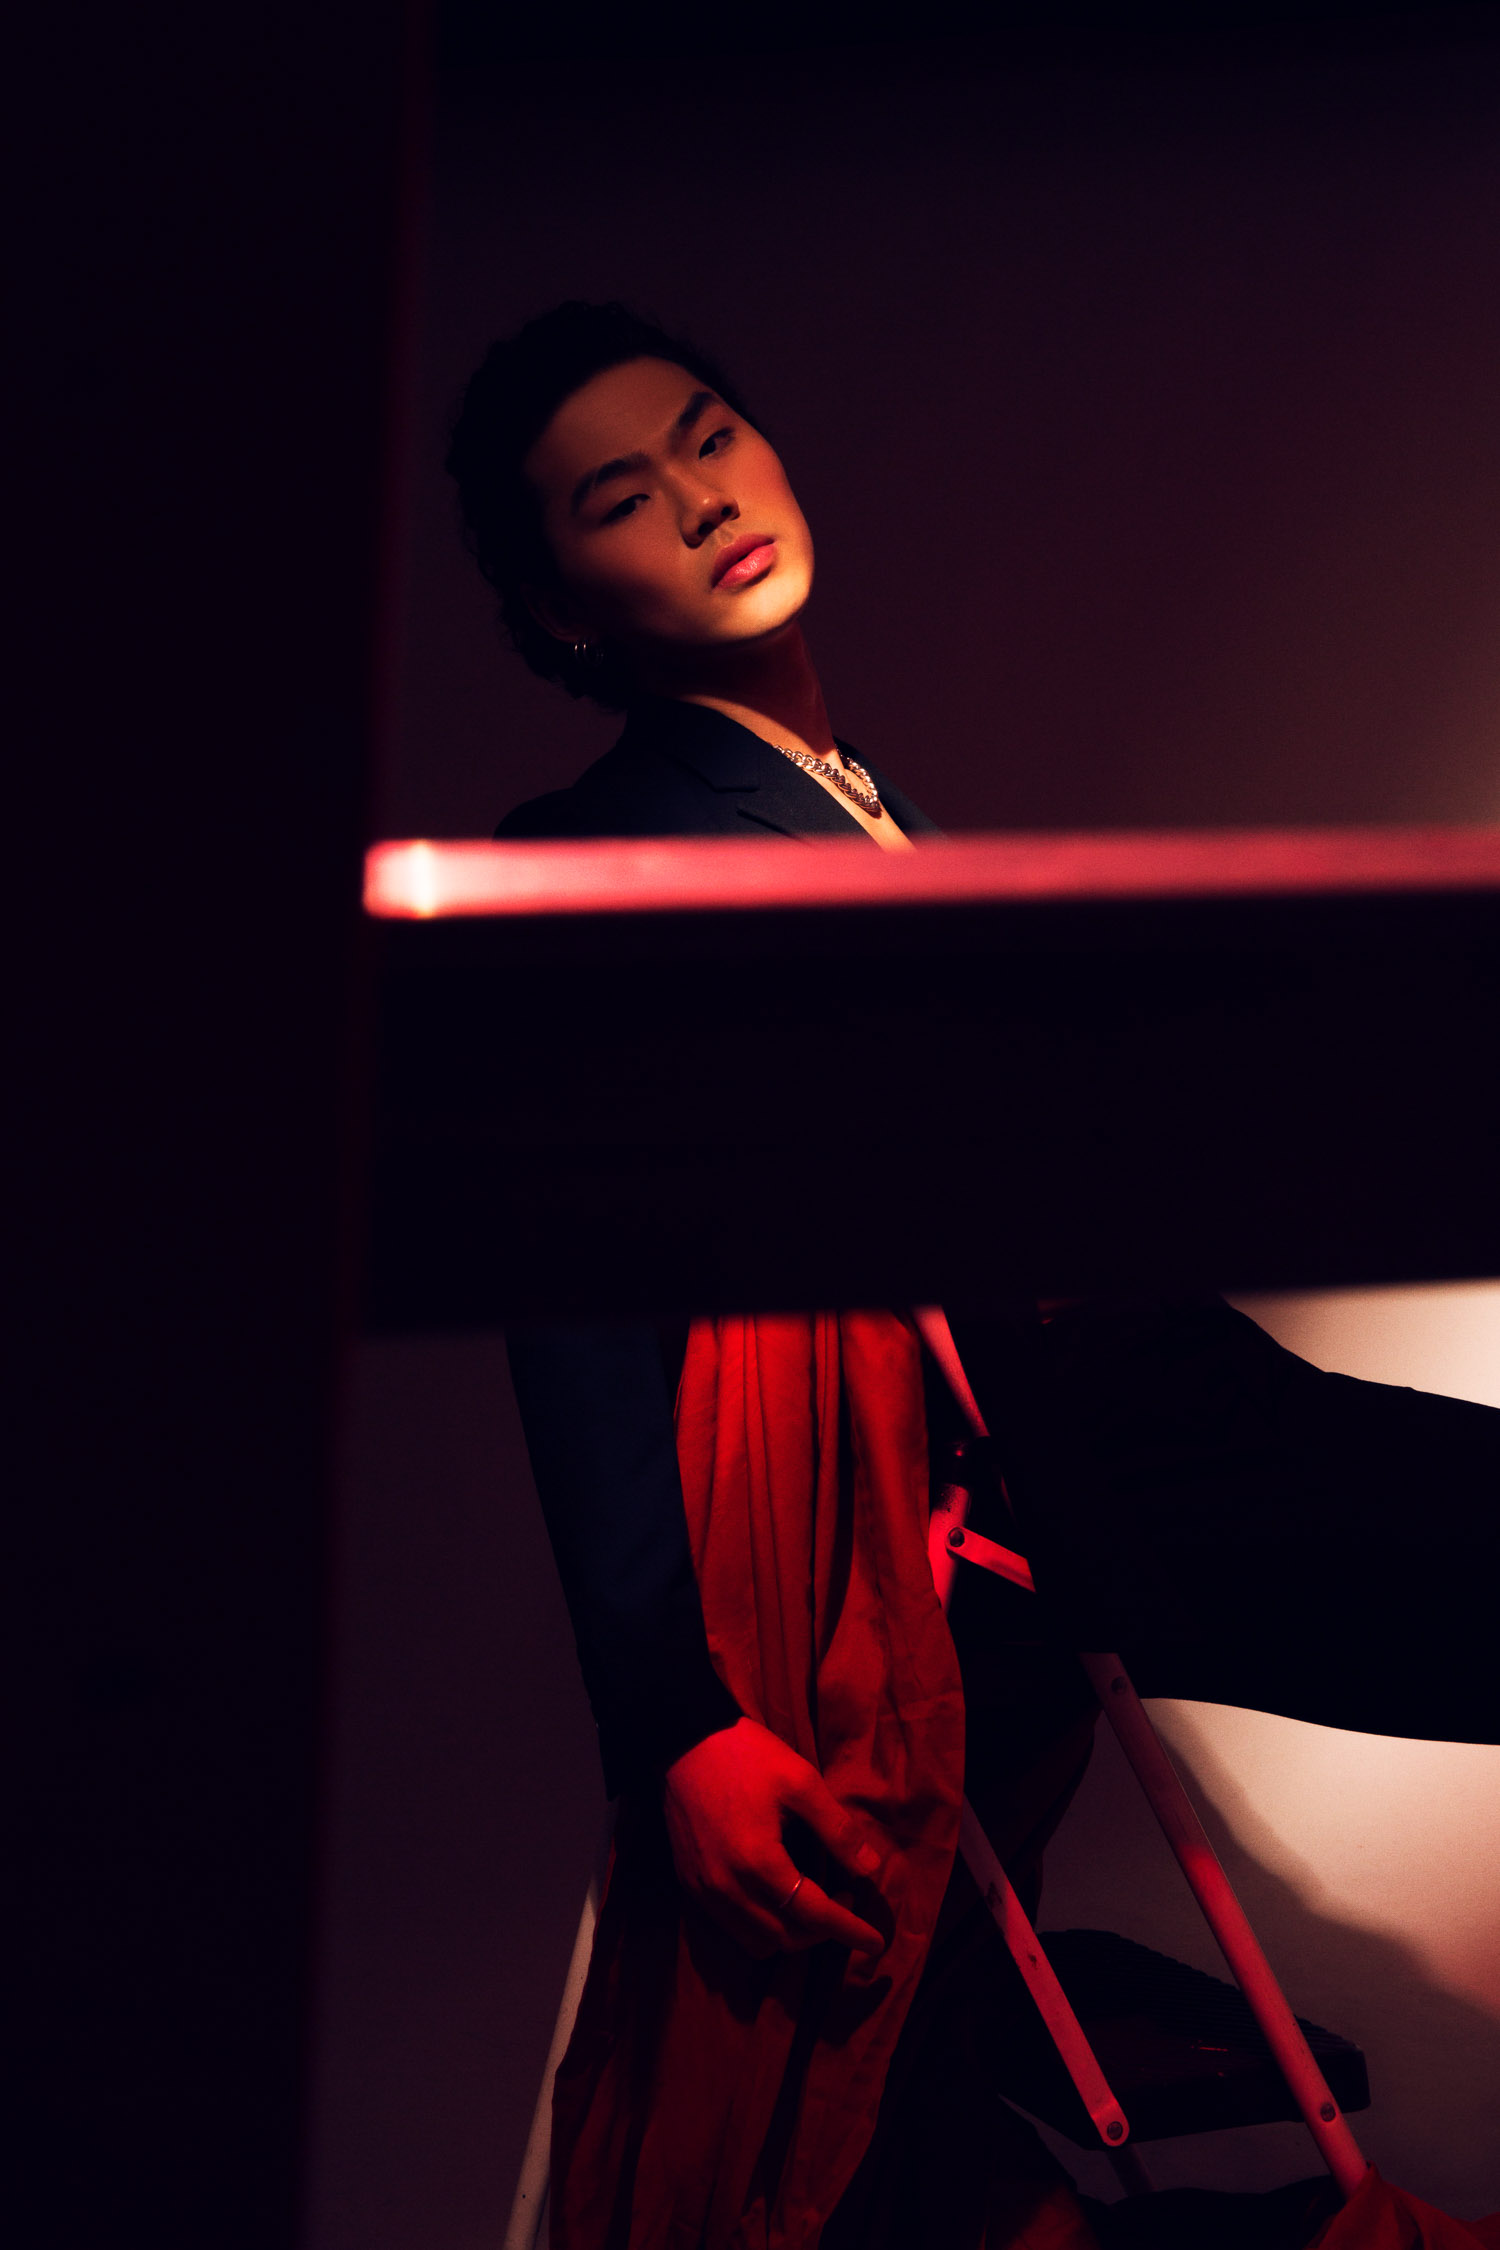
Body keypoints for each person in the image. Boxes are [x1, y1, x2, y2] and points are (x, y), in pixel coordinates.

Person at [445, 302, 1500, 2250]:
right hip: (1029, 1489)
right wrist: (670, 1718)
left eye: (706, 435)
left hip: (1140, 1420)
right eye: (620, 497)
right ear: (559, 610)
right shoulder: (603, 844)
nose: (700, 500)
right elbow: (575, 1302)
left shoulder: (874, 807)